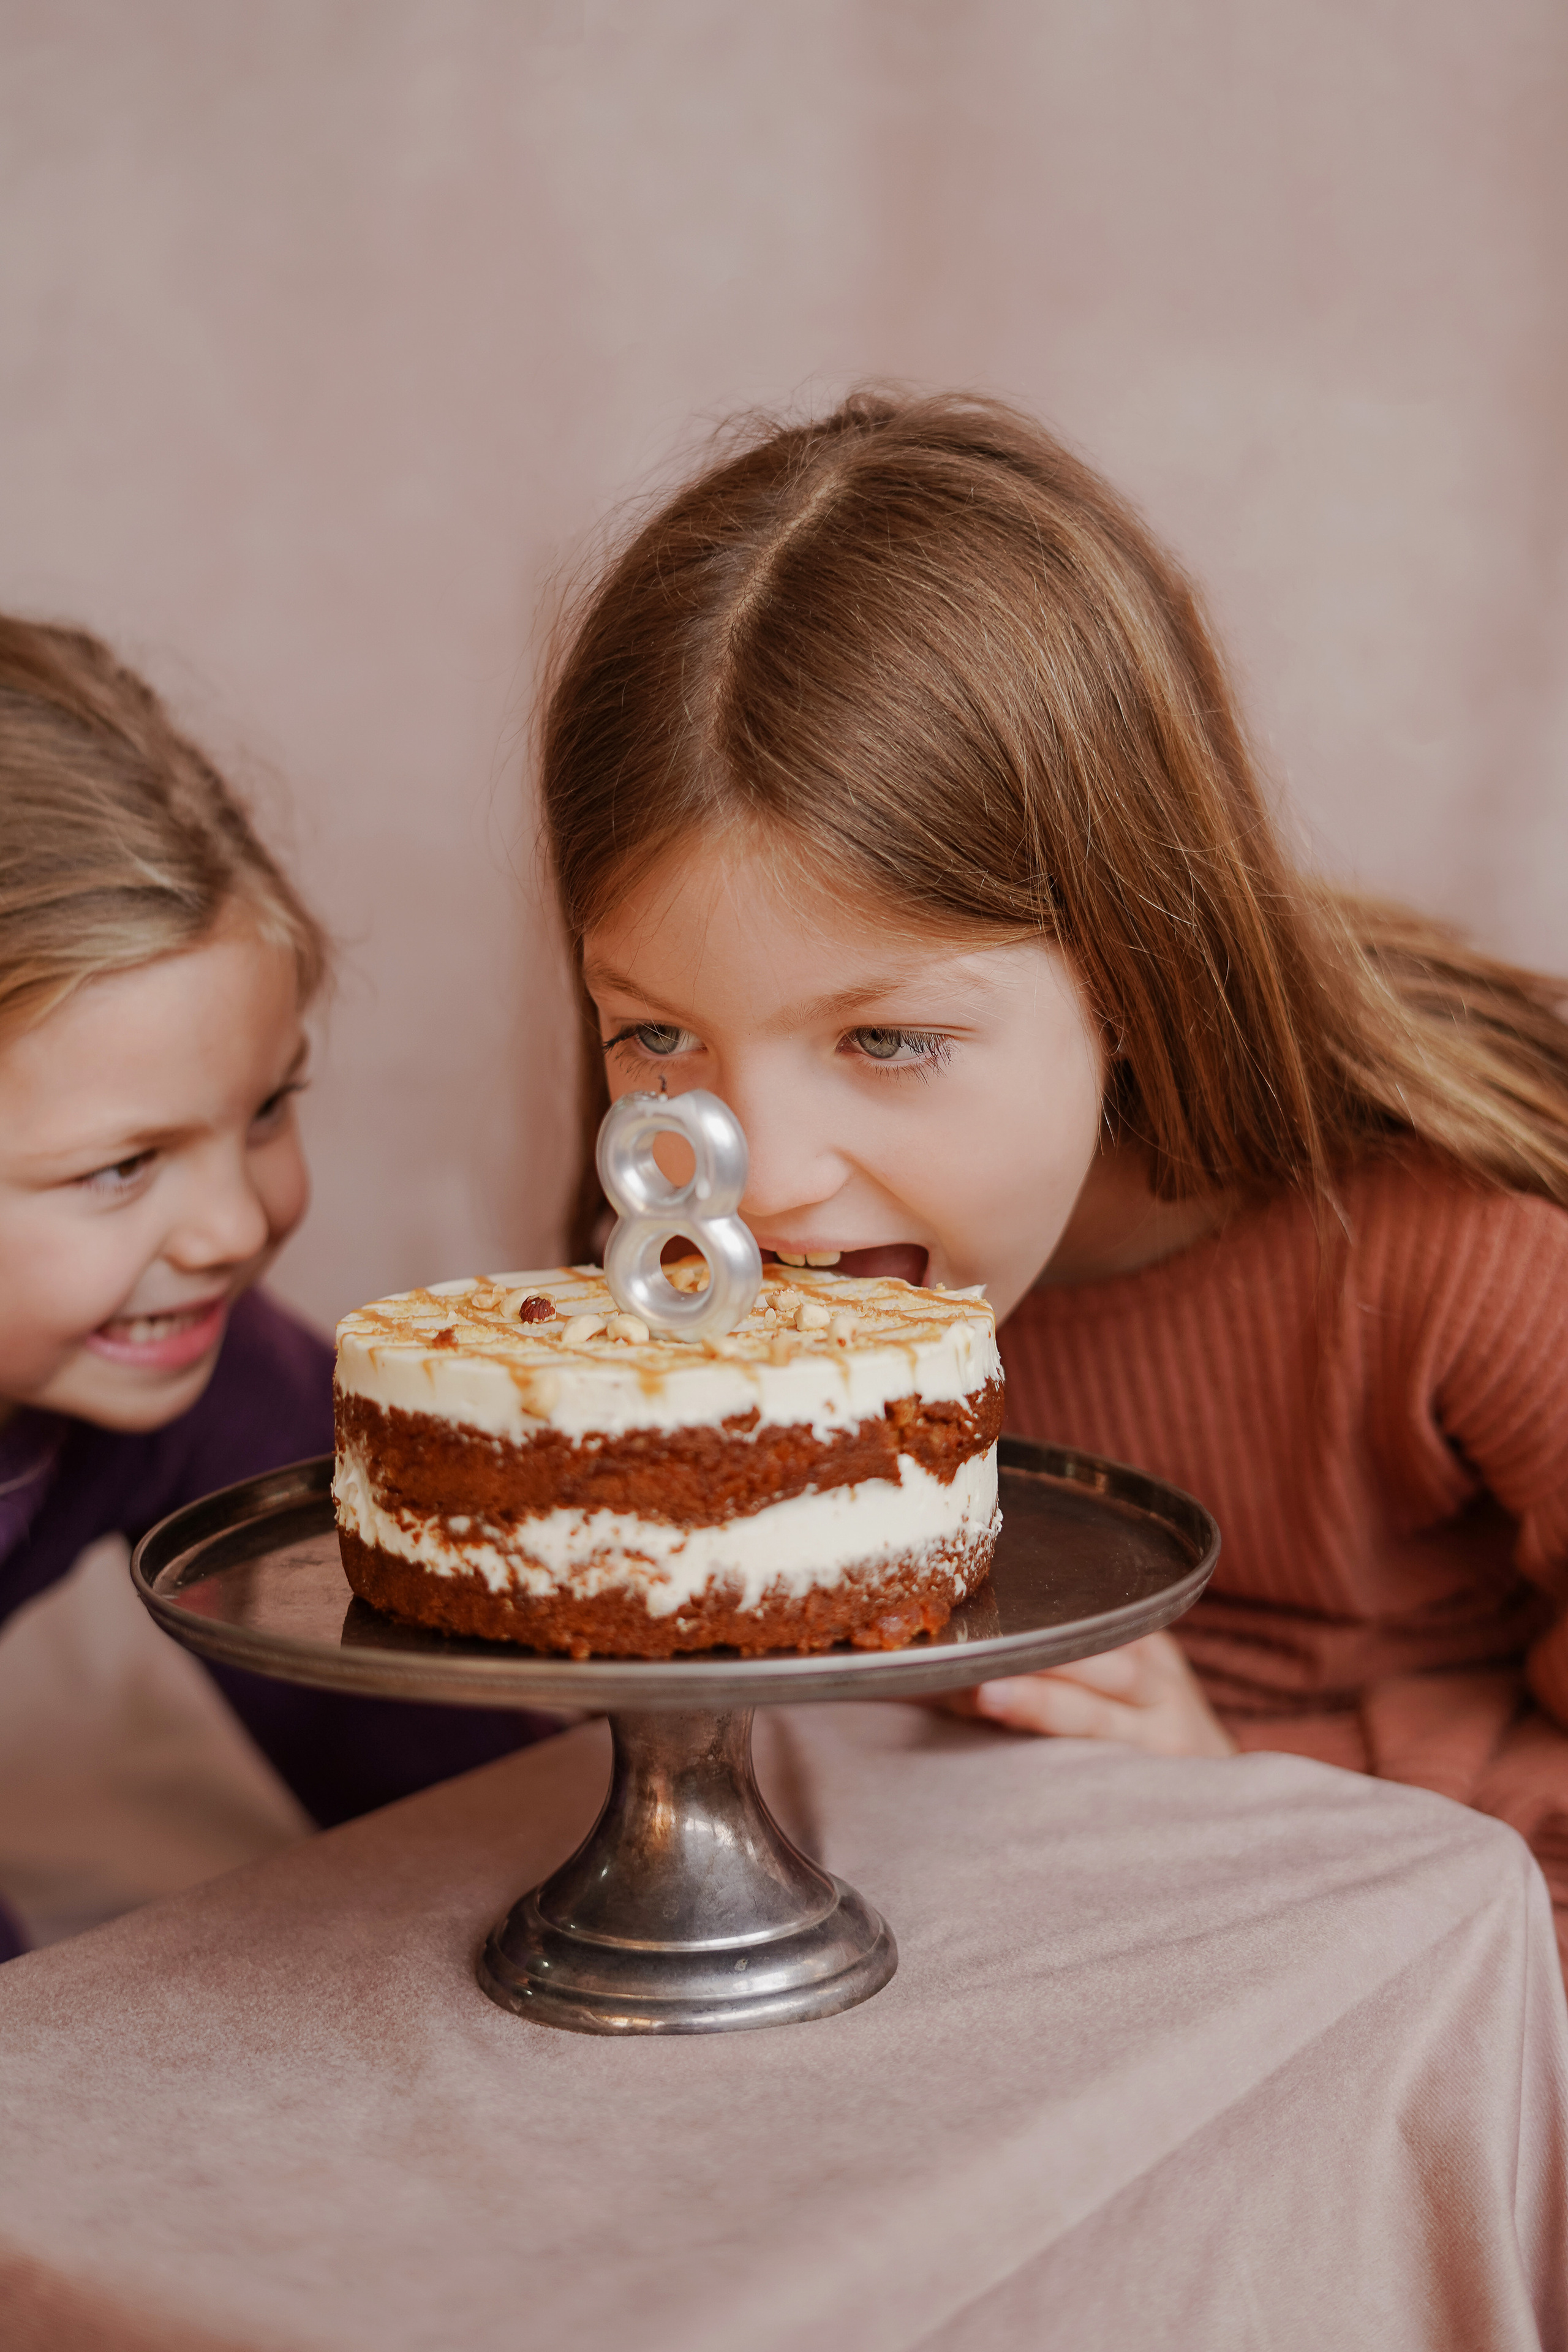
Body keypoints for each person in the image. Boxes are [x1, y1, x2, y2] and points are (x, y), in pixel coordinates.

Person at [538, 391, 1568, 1966]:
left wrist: (1260, 1799)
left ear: (1132, 975)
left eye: (886, 1039)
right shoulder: (675, 1258)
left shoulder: (1463, 1262)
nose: (758, 1175)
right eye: (658, 1031)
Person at [0, 619, 548, 1960]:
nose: (237, 1226)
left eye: (264, 1110)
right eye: (122, 1168)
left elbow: (445, 1765)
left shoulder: (199, 1368)